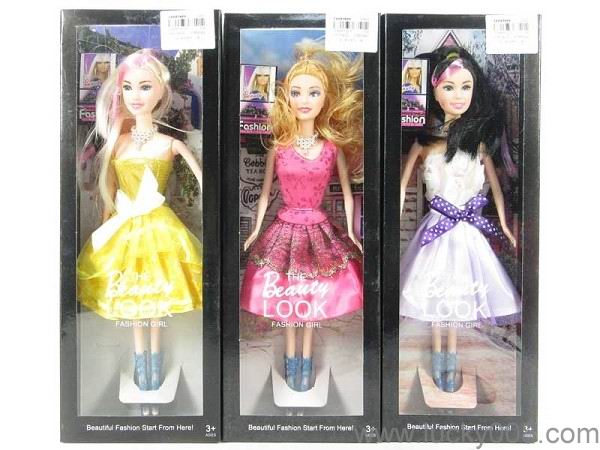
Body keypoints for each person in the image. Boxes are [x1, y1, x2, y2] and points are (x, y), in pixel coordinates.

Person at [76, 49, 203, 415]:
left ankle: (154, 362)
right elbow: (110, 189)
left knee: (155, 295)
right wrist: (104, 225)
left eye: (145, 86)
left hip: (159, 226)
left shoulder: (172, 144)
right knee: (133, 298)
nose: (135, 95)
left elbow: (203, 182)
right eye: (128, 87)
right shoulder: (118, 142)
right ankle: (140, 360)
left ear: (161, 91)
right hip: (125, 225)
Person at [240, 42, 364, 392]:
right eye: (296, 92)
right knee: (288, 298)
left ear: (326, 98)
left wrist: (353, 234)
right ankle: (291, 359)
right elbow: (266, 193)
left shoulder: (331, 149)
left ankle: (306, 361)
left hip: (318, 229)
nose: (304, 100)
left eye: (313, 92)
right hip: (285, 228)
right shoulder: (279, 148)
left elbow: (348, 193)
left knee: (311, 300)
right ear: (286, 98)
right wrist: (255, 230)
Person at [399, 46, 521, 393]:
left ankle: (451, 361)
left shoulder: (478, 144)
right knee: (438, 299)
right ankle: (439, 360)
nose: (458, 95)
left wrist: (505, 226)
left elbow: (495, 190)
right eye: (449, 87)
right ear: (434, 92)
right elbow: (402, 186)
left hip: (467, 233)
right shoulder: (425, 143)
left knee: (458, 299)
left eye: (466, 87)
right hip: (437, 232)